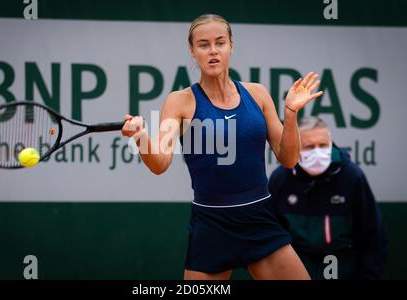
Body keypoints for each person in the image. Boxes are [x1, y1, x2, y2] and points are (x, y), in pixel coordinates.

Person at [121, 14, 323, 280]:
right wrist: (140, 136)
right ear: (193, 52)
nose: (213, 50)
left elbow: (288, 159)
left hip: (259, 220)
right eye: (203, 45)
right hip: (211, 226)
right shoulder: (180, 102)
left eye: (220, 42)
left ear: (231, 46)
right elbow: (159, 163)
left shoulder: (258, 94)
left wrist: (291, 113)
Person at [268, 116, 389, 279]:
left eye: (323, 145)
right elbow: (270, 237)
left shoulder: (352, 176)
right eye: (309, 147)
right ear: (295, 147)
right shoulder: (280, 178)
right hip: (295, 269)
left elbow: (372, 237)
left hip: (343, 268)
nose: (317, 152)